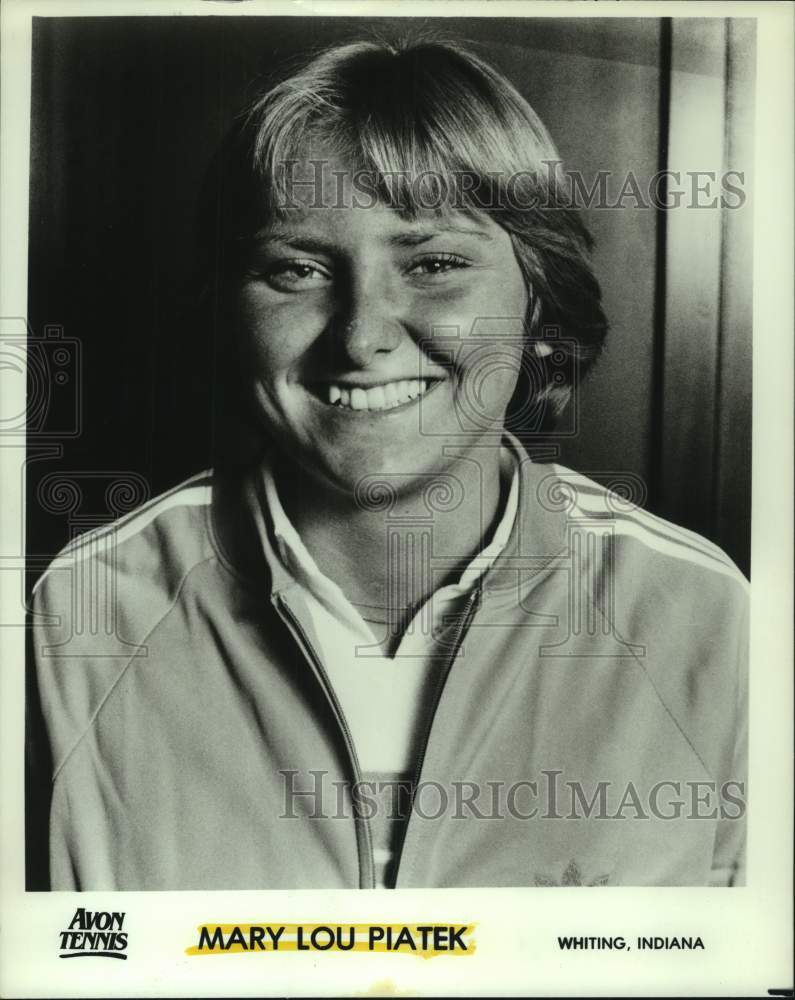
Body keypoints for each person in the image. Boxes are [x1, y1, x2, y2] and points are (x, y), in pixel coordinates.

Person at [28, 37, 748, 890]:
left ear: (538, 299)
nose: (361, 335)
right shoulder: (80, 613)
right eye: (296, 269)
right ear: (225, 310)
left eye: (435, 264)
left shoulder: (703, 616)